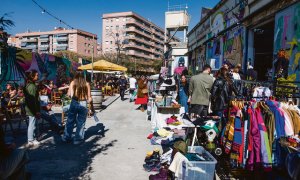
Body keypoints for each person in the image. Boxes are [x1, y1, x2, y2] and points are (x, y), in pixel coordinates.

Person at [62, 72, 92, 145]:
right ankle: (77, 139)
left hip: (74, 102)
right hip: (83, 103)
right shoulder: (87, 84)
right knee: (81, 122)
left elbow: (68, 95)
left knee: (70, 120)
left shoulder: (73, 82)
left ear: (76, 75)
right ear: (83, 76)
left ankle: (67, 137)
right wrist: (91, 106)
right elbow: (89, 97)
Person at [24, 70, 41, 146]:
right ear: (32, 76)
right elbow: (32, 100)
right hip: (32, 109)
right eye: (37, 75)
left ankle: (33, 138)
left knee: (33, 123)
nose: (38, 76)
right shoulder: (31, 86)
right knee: (32, 124)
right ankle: (30, 140)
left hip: (31, 108)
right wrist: (36, 111)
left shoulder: (30, 85)